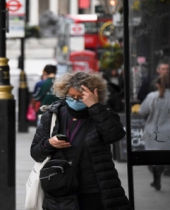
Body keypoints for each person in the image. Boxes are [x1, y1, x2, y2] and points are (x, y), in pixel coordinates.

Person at [30, 72, 131, 210]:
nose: (76, 101)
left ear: (94, 94)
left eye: (81, 97)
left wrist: (94, 107)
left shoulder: (103, 113)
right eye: (72, 97)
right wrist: (49, 143)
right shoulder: (52, 115)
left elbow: (115, 135)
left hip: (95, 188)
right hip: (61, 189)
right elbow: (36, 153)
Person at [139, 73, 170, 190]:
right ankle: (160, 174)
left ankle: (156, 179)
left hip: (154, 132)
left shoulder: (152, 96)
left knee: (154, 158)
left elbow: (142, 111)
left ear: (157, 84)